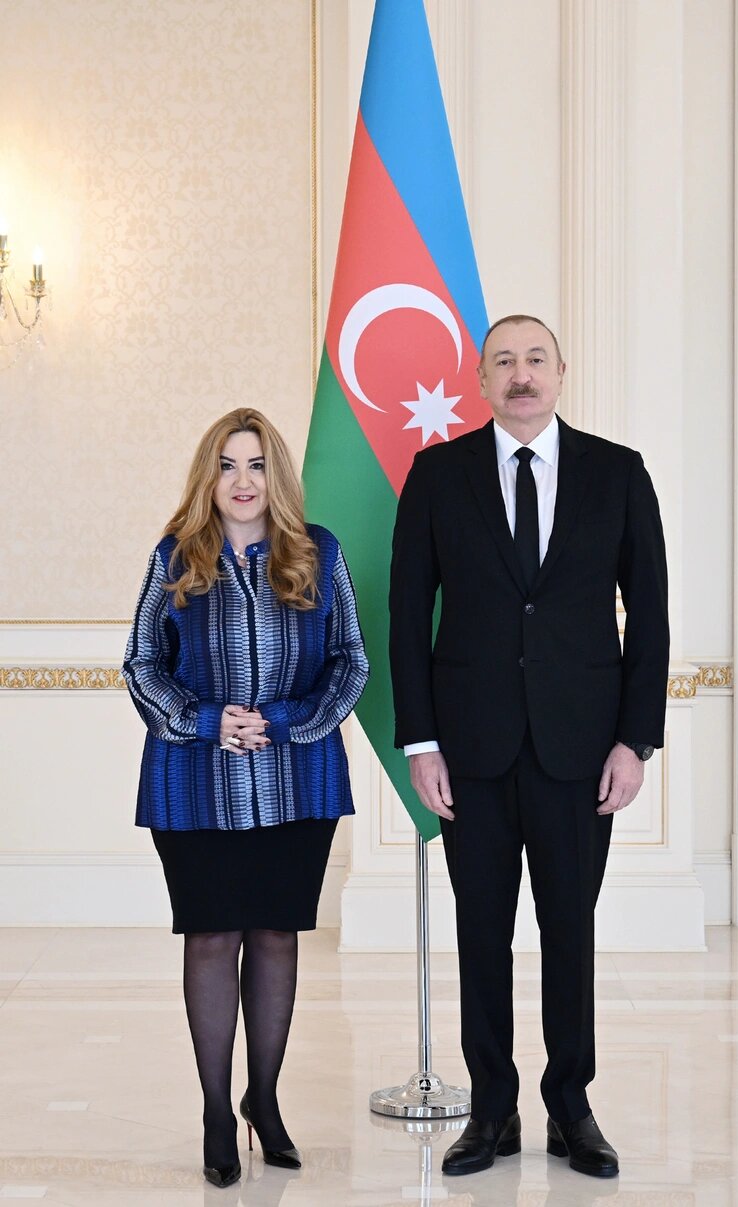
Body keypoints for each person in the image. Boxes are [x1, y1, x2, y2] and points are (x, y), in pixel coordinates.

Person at [389, 315, 669, 1179]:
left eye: (535, 359)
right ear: (481, 380)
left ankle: (571, 1105)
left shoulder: (618, 473)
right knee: (481, 931)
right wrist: (421, 741)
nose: (521, 374)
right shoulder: (437, 475)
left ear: (561, 371)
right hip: (469, 751)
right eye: (504, 360)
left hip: (580, 752)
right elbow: (406, 612)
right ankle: (492, 1107)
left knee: (568, 931)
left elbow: (651, 615)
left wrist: (635, 740)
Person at [124, 408, 368, 1189]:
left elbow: (351, 661)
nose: (242, 480)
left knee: (275, 935)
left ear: (277, 476)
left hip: (298, 781)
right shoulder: (175, 557)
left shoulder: (319, 553)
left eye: (256, 464)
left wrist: (285, 721)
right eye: (227, 464)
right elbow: (140, 663)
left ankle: (264, 1099)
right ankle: (214, 1113)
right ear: (209, 475)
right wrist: (206, 721)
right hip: (193, 785)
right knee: (209, 936)